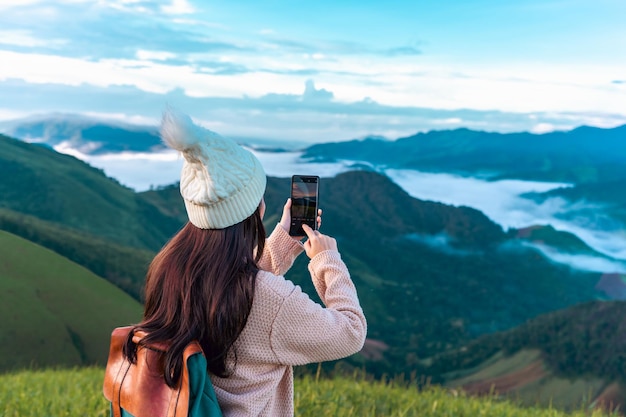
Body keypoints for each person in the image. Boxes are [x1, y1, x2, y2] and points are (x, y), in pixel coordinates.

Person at [123, 109, 367, 417]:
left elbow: (234, 286)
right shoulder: (273, 299)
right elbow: (351, 332)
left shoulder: (171, 269)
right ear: (255, 209)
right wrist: (327, 260)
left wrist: (286, 239)